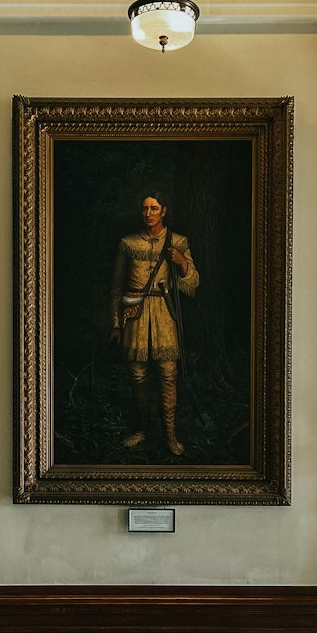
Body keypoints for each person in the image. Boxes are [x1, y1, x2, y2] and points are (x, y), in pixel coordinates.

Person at [109, 190, 199, 456]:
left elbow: (193, 282)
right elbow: (115, 288)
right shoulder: (128, 243)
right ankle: (143, 430)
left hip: (164, 315)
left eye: (154, 208)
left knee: (168, 375)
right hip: (133, 316)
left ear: (164, 211)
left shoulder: (179, 242)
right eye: (145, 209)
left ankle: (170, 436)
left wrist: (182, 263)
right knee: (137, 376)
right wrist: (115, 324)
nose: (148, 214)